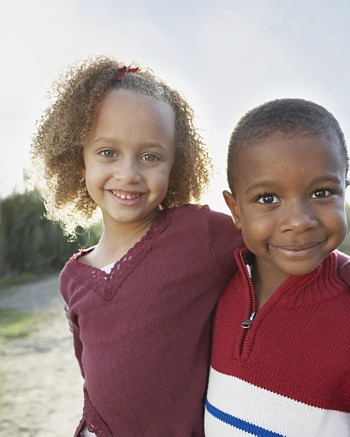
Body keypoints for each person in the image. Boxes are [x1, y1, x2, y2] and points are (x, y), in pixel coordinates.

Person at [30, 56, 243, 436]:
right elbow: (93, 380)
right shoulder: (73, 277)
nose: (127, 174)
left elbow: (275, 241)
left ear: (175, 165)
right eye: (107, 152)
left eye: (150, 156)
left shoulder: (200, 234)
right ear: (79, 161)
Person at [204, 98, 350, 436]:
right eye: (268, 198)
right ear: (235, 209)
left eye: (322, 192)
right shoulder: (218, 284)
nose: (299, 222)